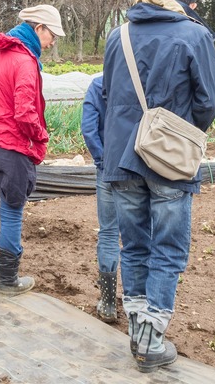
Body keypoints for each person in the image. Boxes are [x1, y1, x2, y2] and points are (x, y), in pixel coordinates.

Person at [101, 0, 215, 373]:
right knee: (168, 249)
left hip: (121, 157)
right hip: (167, 160)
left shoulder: (118, 36)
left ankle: (139, 331)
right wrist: (181, 135)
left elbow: (108, 93)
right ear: (188, 3)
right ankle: (151, 340)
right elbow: (209, 100)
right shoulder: (194, 35)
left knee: (133, 246)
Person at [0, 5, 61, 296]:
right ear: (38, 28)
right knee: (12, 213)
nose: (53, 41)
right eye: (52, 34)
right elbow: (25, 112)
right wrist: (41, 136)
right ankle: (7, 281)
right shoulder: (25, 62)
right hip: (10, 148)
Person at [81, 75, 119, 322]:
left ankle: (108, 303)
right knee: (142, 234)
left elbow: (89, 128)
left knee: (108, 233)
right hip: (140, 167)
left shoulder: (98, 85)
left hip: (109, 168)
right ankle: (144, 302)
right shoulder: (145, 79)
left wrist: (102, 160)